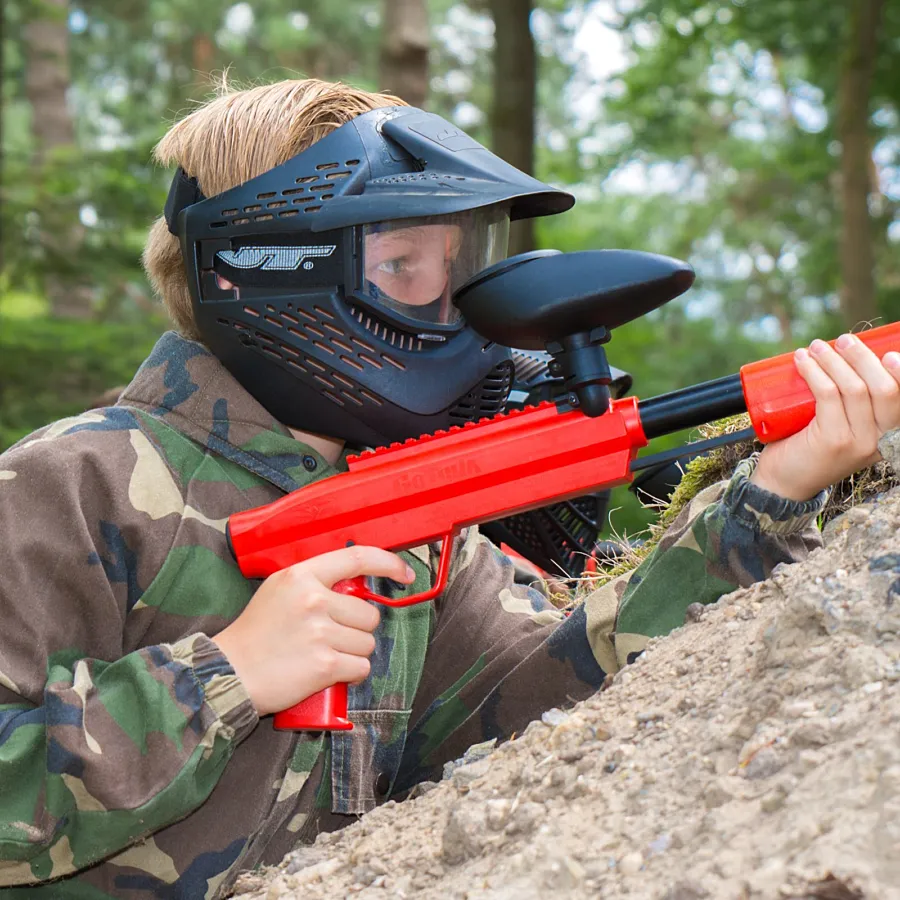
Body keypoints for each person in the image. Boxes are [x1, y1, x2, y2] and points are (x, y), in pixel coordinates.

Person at [1, 79, 898, 898]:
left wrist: (771, 491)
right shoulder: (71, 485)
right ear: (265, 268)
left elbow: (545, 704)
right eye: (405, 267)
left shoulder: (411, 521)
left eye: (462, 264)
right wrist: (228, 675)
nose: (455, 308)